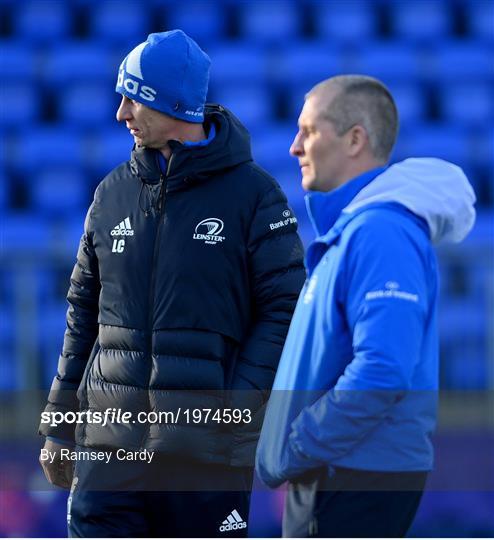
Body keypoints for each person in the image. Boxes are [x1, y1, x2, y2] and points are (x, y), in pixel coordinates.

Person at [38, 29, 305, 537]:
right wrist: (59, 423)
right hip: (107, 454)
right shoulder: (111, 193)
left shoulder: (255, 197)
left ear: (174, 104)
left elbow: (285, 310)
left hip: (204, 458)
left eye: (133, 98)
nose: (121, 113)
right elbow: (82, 315)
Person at [255, 75, 476, 537]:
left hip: (348, 474)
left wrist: (299, 443)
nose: (295, 147)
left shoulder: (381, 232)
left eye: (310, 131)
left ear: (355, 138)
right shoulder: (358, 230)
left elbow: (383, 368)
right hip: (339, 472)